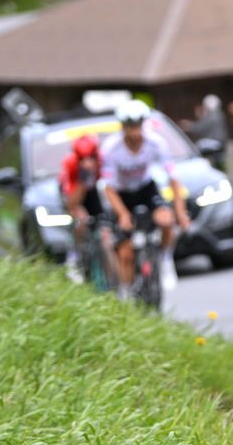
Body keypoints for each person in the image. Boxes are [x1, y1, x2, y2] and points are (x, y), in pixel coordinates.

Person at [101, 99, 190, 298]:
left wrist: (180, 211)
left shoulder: (156, 143)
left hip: (145, 188)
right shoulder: (110, 149)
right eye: (129, 127)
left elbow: (173, 179)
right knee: (125, 252)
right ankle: (128, 291)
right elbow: (108, 187)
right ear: (122, 127)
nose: (134, 133)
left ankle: (166, 259)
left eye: (138, 126)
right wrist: (123, 214)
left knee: (166, 220)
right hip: (120, 194)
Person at [59, 134, 103, 282]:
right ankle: (74, 258)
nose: (88, 162)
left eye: (91, 157)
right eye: (83, 158)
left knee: (106, 230)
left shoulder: (102, 161)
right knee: (80, 218)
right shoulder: (70, 164)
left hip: (93, 193)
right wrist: (83, 178)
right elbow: (72, 202)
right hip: (75, 192)